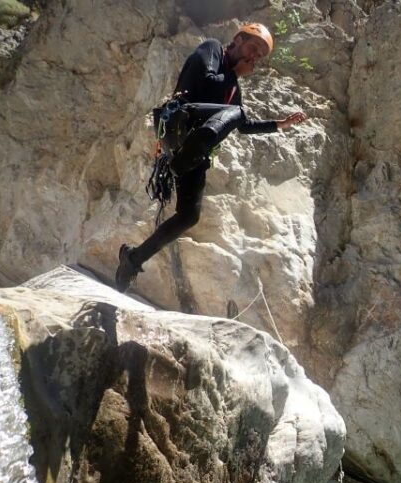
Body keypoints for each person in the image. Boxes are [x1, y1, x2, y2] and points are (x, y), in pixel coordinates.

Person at [115, 22, 307, 292]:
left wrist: (280, 124)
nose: (254, 57)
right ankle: (189, 156)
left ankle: (132, 259)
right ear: (238, 39)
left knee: (188, 217)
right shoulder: (212, 49)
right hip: (181, 124)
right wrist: (234, 76)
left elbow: (242, 126)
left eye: (260, 56)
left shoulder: (232, 88)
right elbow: (205, 80)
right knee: (236, 112)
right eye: (253, 48)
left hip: (192, 151)